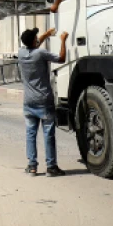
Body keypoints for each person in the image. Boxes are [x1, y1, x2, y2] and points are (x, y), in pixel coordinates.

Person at [18, 27, 68, 176]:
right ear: (34, 41)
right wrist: (63, 41)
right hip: (44, 100)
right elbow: (61, 58)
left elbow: (34, 46)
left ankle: (32, 166)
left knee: (30, 134)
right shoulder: (41, 53)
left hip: (28, 101)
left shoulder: (21, 53)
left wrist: (46, 34)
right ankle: (51, 166)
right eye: (36, 37)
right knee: (48, 134)